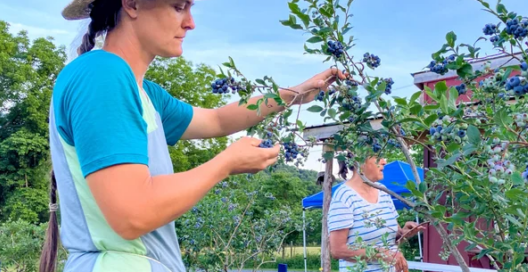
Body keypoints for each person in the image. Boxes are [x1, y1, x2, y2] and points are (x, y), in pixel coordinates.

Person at [39, 0, 346, 272]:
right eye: (178, 6)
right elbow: (132, 213)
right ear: (132, 4)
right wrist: (224, 164)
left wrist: (295, 94)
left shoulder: (142, 91)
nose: (190, 22)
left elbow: (216, 120)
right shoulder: (102, 75)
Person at [328, 154, 423, 272]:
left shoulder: (383, 191)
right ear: (360, 162)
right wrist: (380, 253)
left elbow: (392, 239)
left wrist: (404, 233)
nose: (384, 162)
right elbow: (337, 250)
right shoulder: (344, 197)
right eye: (378, 157)